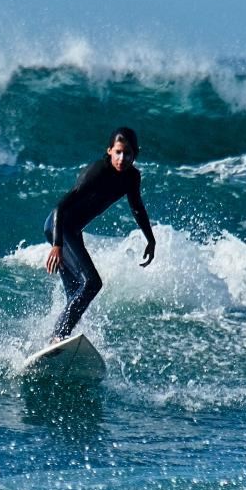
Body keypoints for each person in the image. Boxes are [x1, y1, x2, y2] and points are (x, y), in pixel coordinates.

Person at [44, 126, 155, 339]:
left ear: (135, 155)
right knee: (92, 283)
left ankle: (57, 340)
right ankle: (58, 335)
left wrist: (150, 240)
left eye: (127, 153)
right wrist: (57, 245)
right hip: (59, 227)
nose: (122, 158)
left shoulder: (131, 177)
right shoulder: (97, 172)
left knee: (77, 293)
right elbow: (61, 207)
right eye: (118, 152)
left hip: (73, 232)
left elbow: (137, 208)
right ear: (109, 151)